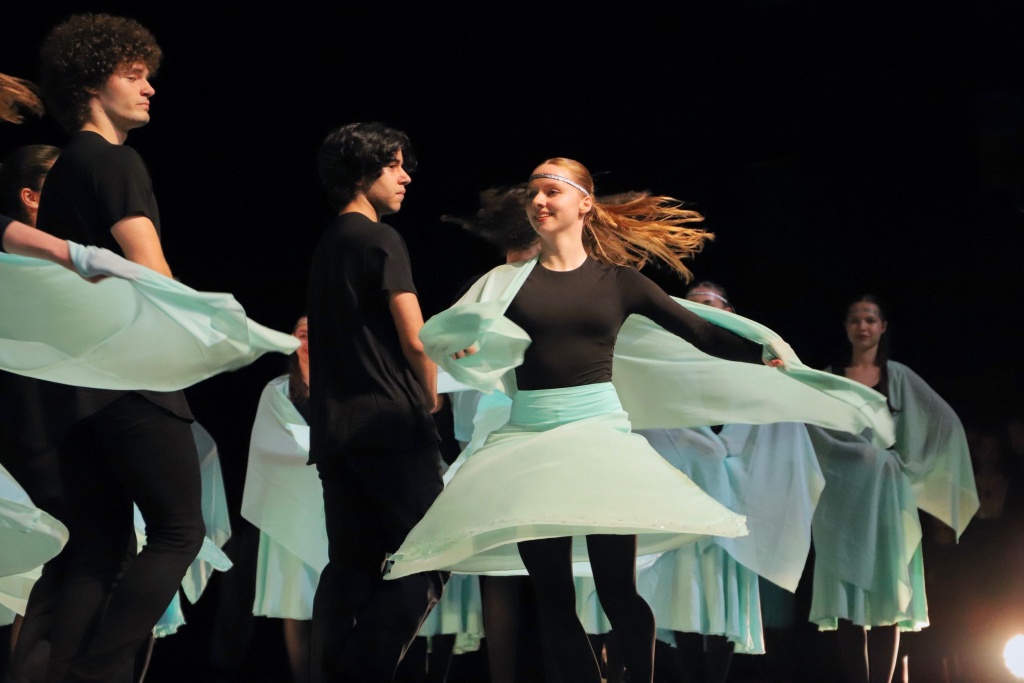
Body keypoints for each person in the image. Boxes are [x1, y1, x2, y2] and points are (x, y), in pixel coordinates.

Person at [388, 156, 868, 683]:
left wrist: (762, 355)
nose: (539, 201)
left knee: (617, 590)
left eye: (551, 190)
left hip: (598, 439)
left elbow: (700, 332)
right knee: (552, 597)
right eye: (533, 193)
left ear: (584, 203)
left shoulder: (618, 282)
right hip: (528, 441)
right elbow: (451, 337)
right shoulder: (503, 283)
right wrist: (463, 350)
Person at [19, 13, 208, 682]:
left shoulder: (67, 170)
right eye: (134, 74)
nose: (150, 87)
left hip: (75, 387)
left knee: (97, 549)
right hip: (132, 375)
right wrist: (207, 331)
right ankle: (100, 671)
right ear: (92, 84)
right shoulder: (115, 160)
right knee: (179, 531)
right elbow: (150, 272)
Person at [306, 121, 447, 683]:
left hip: (336, 431)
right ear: (361, 172)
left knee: (350, 568)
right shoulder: (380, 239)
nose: (405, 176)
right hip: (389, 423)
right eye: (393, 165)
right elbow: (416, 338)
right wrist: (431, 393)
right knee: (431, 554)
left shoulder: (327, 244)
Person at [805, 295, 979, 683]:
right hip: (843, 496)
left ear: (882, 327)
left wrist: (904, 465)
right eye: (855, 320)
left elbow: (943, 422)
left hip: (886, 495)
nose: (863, 326)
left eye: (870, 319)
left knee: (887, 590)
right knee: (847, 592)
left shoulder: (896, 375)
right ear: (846, 327)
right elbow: (810, 423)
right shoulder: (832, 376)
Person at [240, 315, 320, 683]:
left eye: (316, 334)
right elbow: (269, 447)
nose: (309, 342)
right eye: (302, 334)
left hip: (334, 506)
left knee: (336, 601)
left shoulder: (345, 387)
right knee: (296, 601)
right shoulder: (278, 392)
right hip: (291, 508)